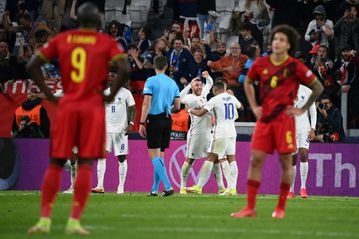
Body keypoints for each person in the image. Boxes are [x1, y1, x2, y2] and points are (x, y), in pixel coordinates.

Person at [27, 3, 128, 235]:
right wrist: (110, 95)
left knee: (56, 163)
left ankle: (44, 219)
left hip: (68, 105)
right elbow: (124, 69)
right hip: (92, 107)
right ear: (98, 22)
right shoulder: (106, 42)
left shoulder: (63, 39)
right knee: (84, 163)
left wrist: (51, 95)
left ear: (77, 21)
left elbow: (32, 65)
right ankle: (74, 221)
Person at [231, 24, 323, 219]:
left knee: (286, 162)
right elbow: (247, 82)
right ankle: (249, 207)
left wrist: (303, 109)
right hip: (265, 121)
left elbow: (318, 87)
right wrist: (255, 106)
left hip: (285, 122)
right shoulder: (261, 63)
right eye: (275, 39)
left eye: (282, 39)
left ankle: (281, 207)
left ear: (288, 44)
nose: (277, 42)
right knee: (255, 161)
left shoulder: (295, 66)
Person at [186, 80, 243, 196]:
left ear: (216, 90)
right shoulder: (231, 97)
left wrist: (189, 110)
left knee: (210, 158)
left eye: (213, 91)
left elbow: (201, 113)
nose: (213, 93)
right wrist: (233, 97)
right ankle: (233, 189)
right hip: (232, 132)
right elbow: (241, 107)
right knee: (232, 159)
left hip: (220, 134)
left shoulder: (215, 99)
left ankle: (199, 186)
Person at [139, 55, 181, 197]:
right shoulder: (172, 83)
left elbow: (146, 103)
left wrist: (141, 122)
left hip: (154, 119)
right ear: (167, 66)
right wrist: (168, 109)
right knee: (160, 156)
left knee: (153, 155)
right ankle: (154, 189)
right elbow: (178, 105)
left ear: (154, 66)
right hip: (167, 119)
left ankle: (168, 186)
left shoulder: (151, 81)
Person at [178, 71, 225, 195]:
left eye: (200, 85)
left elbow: (210, 83)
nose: (199, 87)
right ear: (192, 87)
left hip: (209, 133)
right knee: (190, 160)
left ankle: (221, 187)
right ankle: (183, 186)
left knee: (214, 158)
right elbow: (181, 97)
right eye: (196, 85)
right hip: (196, 135)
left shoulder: (203, 93)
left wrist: (207, 76)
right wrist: (189, 84)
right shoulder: (190, 98)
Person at [92, 69, 136, 194]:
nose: (110, 77)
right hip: (106, 130)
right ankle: (100, 185)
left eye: (113, 75)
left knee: (122, 159)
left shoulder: (126, 93)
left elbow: (133, 109)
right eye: (109, 75)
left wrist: (131, 123)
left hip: (120, 131)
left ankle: (120, 187)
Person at [288, 85, 317, 199]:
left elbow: (313, 111)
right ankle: (291, 190)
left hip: (304, 128)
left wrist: (312, 129)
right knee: (292, 159)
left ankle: (303, 188)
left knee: (304, 155)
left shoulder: (307, 91)